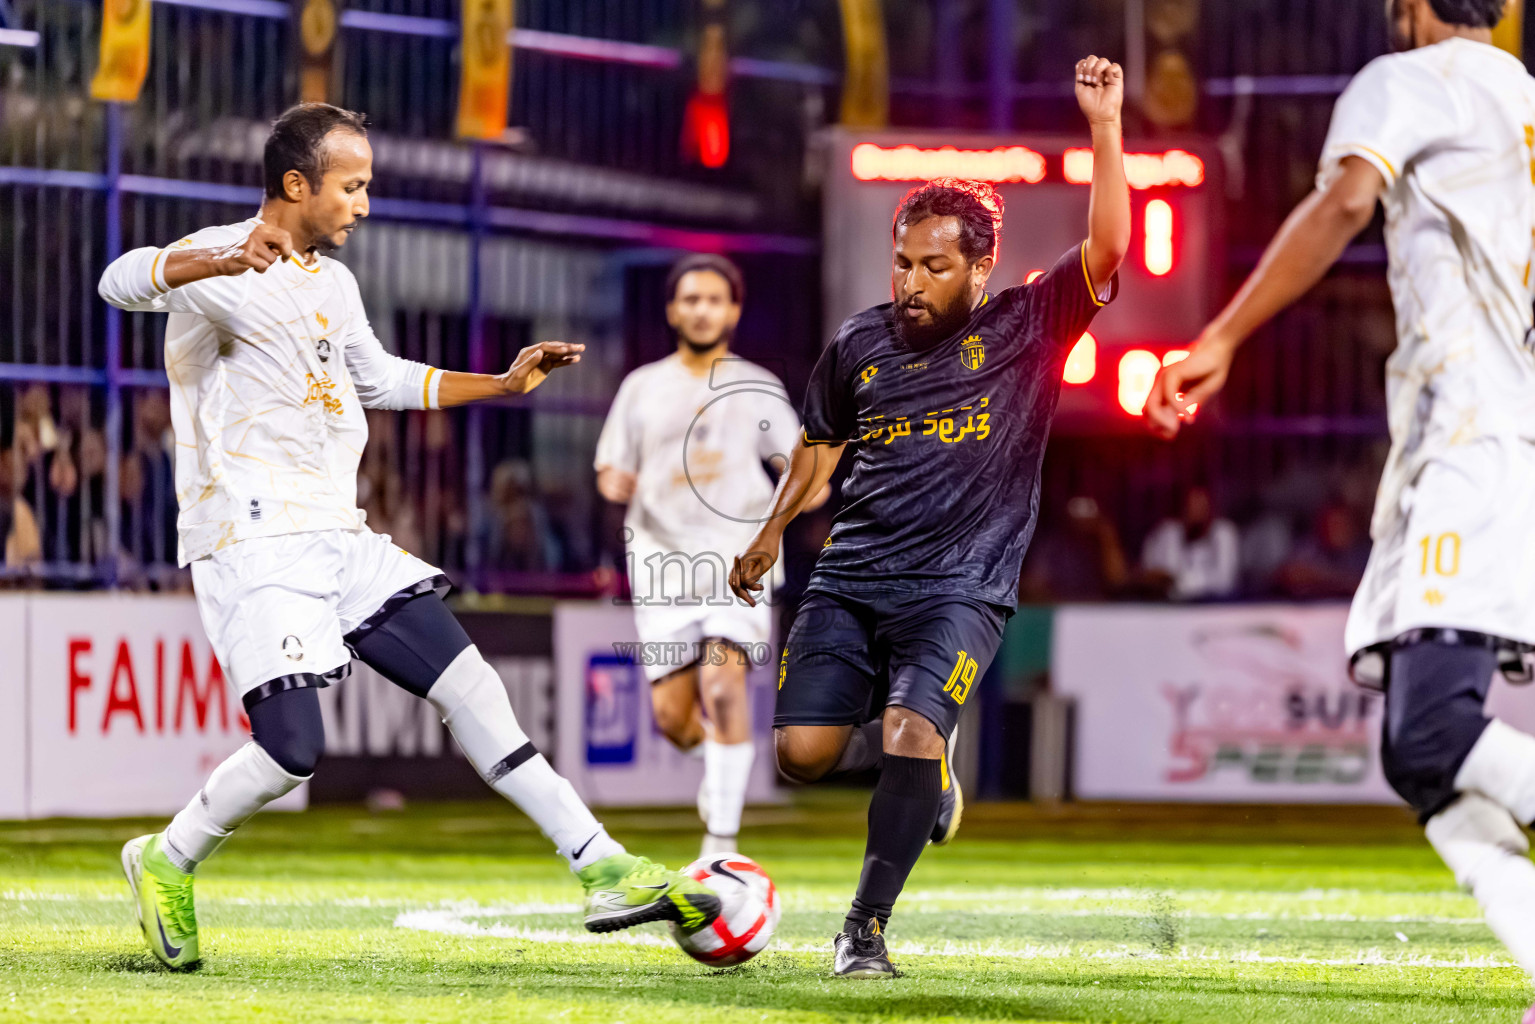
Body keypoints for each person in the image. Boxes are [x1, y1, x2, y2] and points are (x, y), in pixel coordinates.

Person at [96, 102, 718, 970]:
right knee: (292, 752)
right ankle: (168, 857)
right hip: (251, 539)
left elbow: (380, 379)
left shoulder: (333, 283)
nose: (363, 203)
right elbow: (118, 280)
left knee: (473, 687)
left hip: (339, 536)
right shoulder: (220, 260)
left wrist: (500, 385)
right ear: (296, 184)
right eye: (351, 186)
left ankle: (601, 866)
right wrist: (215, 258)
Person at [1145, 2, 1535, 1013]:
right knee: (1420, 757)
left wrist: (1221, 336)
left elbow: (1342, 201)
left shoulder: (1407, 80)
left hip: (1470, 438)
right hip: (1491, 437)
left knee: (1431, 732)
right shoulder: (1522, 100)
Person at [730, 56, 1129, 977]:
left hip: (959, 587)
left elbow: (1107, 247)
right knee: (801, 755)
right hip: (849, 579)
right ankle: (923, 766)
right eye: (902, 262)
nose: (912, 281)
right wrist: (767, 533)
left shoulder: (1028, 326)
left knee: (910, 727)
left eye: (935, 266)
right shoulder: (858, 343)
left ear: (980, 267)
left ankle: (863, 928)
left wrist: (1104, 127)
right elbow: (819, 449)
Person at [595, 253, 827, 857]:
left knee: (724, 686)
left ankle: (720, 845)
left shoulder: (757, 387)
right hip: (662, 566)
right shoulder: (642, 387)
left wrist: (806, 487)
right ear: (673, 310)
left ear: (733, 311)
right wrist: (614, 482)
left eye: (714, 299)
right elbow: (610, 467)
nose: (702, 310)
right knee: (673, 721)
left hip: (735, 564)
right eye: (691, 299)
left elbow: (799, 465)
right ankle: (720, 773)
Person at [1139, 486, 1240, 601]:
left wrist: (1186, 582)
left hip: (1216, 605)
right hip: (1174, 605)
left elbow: (1225, 581)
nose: (1196, 510)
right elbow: (1164, 578)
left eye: (1201, 505)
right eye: (1191, 505)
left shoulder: (1223, 532)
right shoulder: (1169, 533)